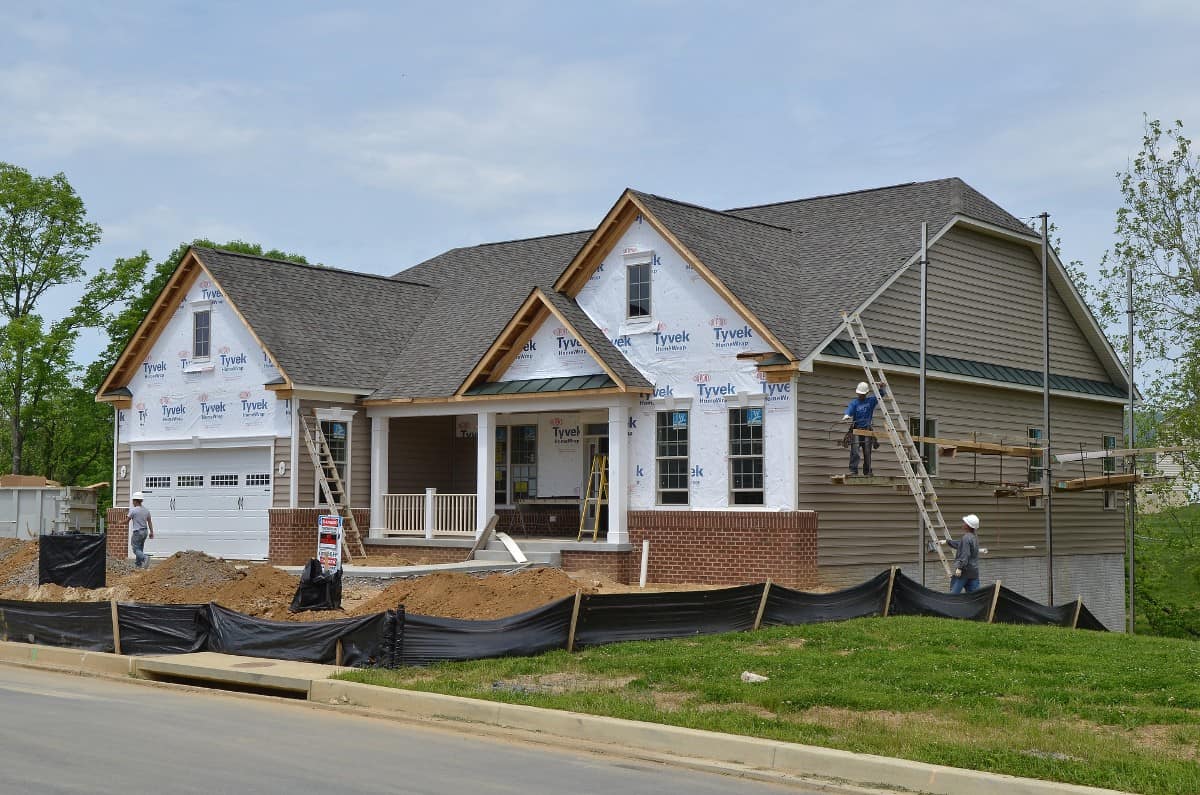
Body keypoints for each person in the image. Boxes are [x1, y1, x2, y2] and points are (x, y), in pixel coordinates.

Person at [841, 381, 885, 475]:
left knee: (867, 452)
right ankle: (853, 470)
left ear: (866, 393)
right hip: (856, 430)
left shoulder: (871, 401)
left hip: (867, 430)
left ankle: (867, 471)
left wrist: (880, 388)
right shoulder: (855, 403)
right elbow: (850, 409)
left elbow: (880, 395)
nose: (860, 395)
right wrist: (847, 414)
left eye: (862, 394)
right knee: (855, 451)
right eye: (859, 394)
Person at [940, 514, 981, 593]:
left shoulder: (966, 538)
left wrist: (959, 568)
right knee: (974, 595)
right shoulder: (974, 537)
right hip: (974, 572)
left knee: (953, 596)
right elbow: (961, 544)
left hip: (964, 572)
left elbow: (965, 554)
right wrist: (947, 541)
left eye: (965, 523)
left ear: (968, 526)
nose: (963, 524)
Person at [128, 491, 155, 569]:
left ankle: (144, 558)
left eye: (133, 500)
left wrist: (119, 522)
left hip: (137, 532)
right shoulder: (146, 510)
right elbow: (149, 521)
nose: (132, 502)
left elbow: (127, 521)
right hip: (145, 532)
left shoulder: (133, 510)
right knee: (140, 548)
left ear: (136, 501)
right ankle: (138, 565)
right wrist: (151, 532)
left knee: (135, 549)